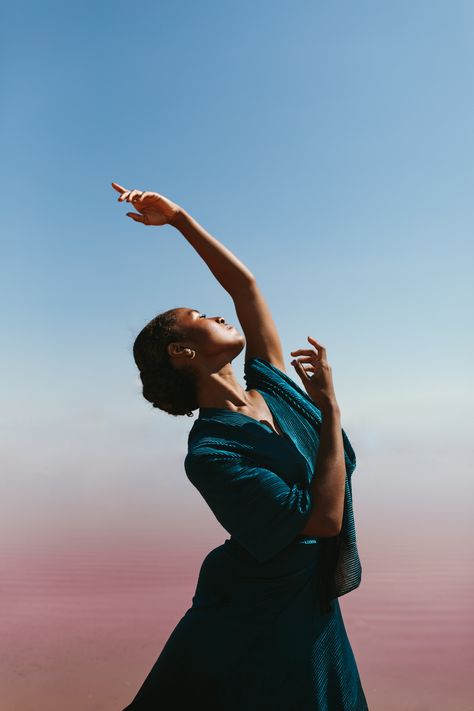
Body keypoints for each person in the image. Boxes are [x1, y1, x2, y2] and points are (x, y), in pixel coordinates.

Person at [112, 182, 369, 710]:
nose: (220, 315)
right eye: (202, 317)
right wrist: (331, 412)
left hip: (309, 599)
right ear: (183, 351)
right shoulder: (211, 454)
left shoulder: (270, 381)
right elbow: (322, 520)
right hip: (252, 606)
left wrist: (179, 219)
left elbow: (245, 287)